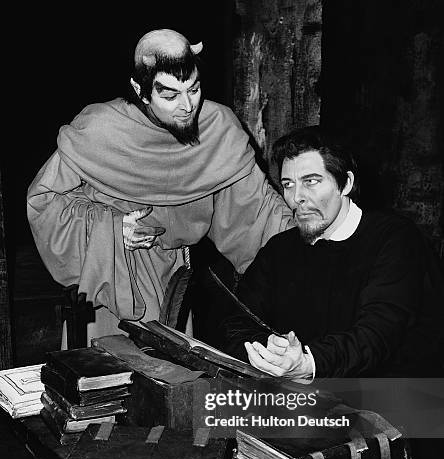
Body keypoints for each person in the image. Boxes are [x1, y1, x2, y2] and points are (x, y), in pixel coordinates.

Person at [27, 29, 294, 341]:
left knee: (172, 380)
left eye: (193, 90)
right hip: (112, 280)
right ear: (139, 90)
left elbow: (257, 213)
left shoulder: (217, 129)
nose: (186, 106)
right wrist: (110, 229)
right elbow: (43, 200)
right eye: (169, 96)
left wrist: (313, 243)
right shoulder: (100, 129)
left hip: (175, 286)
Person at [223, 126, 444, 379]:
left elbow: (378, 335)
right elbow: (236, 322)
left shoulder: (395, 239)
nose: (297, 198)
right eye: (288, 184)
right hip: (301, 402)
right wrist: (267, 349)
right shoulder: (279, 249)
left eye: (311, 182)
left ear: (346, 183)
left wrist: (308, 363)